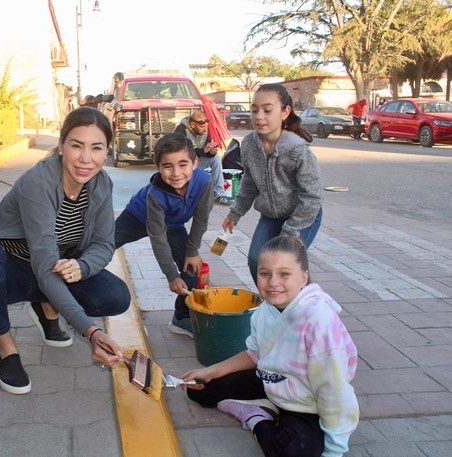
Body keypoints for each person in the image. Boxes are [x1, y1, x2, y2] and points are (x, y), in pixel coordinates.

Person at [0, 106, 131, 395]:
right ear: (62, 145)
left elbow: (103, 244)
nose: (86, 158)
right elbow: (44, 263)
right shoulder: (37, 183)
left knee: (116, 296)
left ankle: (47, 307)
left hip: (54, 268)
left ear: (107, 151)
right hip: (14, 270)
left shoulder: (102, 184)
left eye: (96, 148)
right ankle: (6, 350)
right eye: (77, 146)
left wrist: (83, 266)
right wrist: (91, 332)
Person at [182, 235, 359, 457]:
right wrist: (210, 371)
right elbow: (255, 354)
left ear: (304, 278)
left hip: (307, 403)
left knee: (292, 451)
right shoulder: (265, 309)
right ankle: (266, 404)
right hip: (272, 382)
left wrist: (334, 450)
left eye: (284, 274)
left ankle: (254, 417)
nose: (273, 282)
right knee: (199, 390)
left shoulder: (318, 320)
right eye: (265, 273)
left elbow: (333, 390)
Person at [115, 133, 213, 338]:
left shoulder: (204, 182)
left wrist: (192, 250)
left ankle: (181, 317)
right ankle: (76, 272)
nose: (176, 173)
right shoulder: (155, 194)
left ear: (195, 163)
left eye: (183, 164)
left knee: (192, 268)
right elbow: (158, 237)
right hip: (137, 216)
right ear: (158, 167)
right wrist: (171, 276)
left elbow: (201, 219)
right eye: (168, 166)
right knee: (104, 245)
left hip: (174, 224)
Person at [222, 83, 323, 283]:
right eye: (254, 110)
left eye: (267, 110)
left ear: (285, 112)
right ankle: (274, 308)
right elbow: (249, 182)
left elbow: (312, 197)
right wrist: (235, 213)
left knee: (283, 265)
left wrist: (291, 231)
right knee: (256, 261)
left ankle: (308, 308)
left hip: (302, 216)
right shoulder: (250, 144)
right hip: (271, 216)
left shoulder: (298, 150)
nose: (259, 116)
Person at [174, 110, 230, 205]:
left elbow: (207, 150)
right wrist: (203, 150)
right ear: (192, 124)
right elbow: (181, 153)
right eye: (201, 127)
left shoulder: (206, 130)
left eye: (206, 127)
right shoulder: (181, 130)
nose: (204, 130)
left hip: (196, 162)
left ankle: (218, 194)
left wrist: (211, 152)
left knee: (215, 157)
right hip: (181, 165)